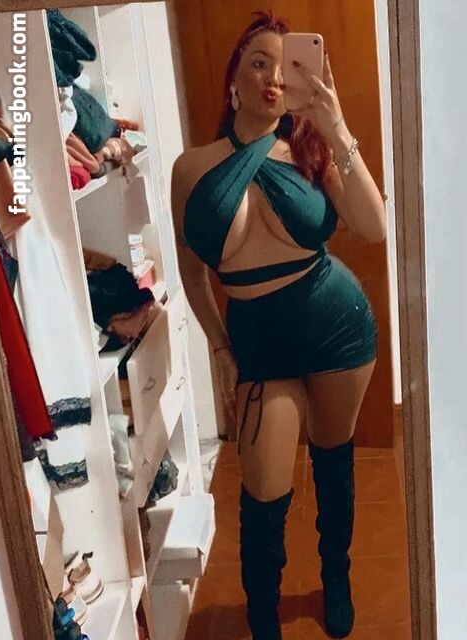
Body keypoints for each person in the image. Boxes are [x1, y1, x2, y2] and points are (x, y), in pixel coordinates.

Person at [171, 11, 386, 640]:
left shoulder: (312, 150)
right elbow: (192, 274)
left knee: (333, 460)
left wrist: (336, 126)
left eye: (284, 67)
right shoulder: (192, 168)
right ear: (233, 82)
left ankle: (336, 577)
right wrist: (219, 349)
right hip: (260, 345)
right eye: (258, 62)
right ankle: (262, 613)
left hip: (338, 329)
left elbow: (373, 227)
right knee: (264, 491)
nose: (271, 77)